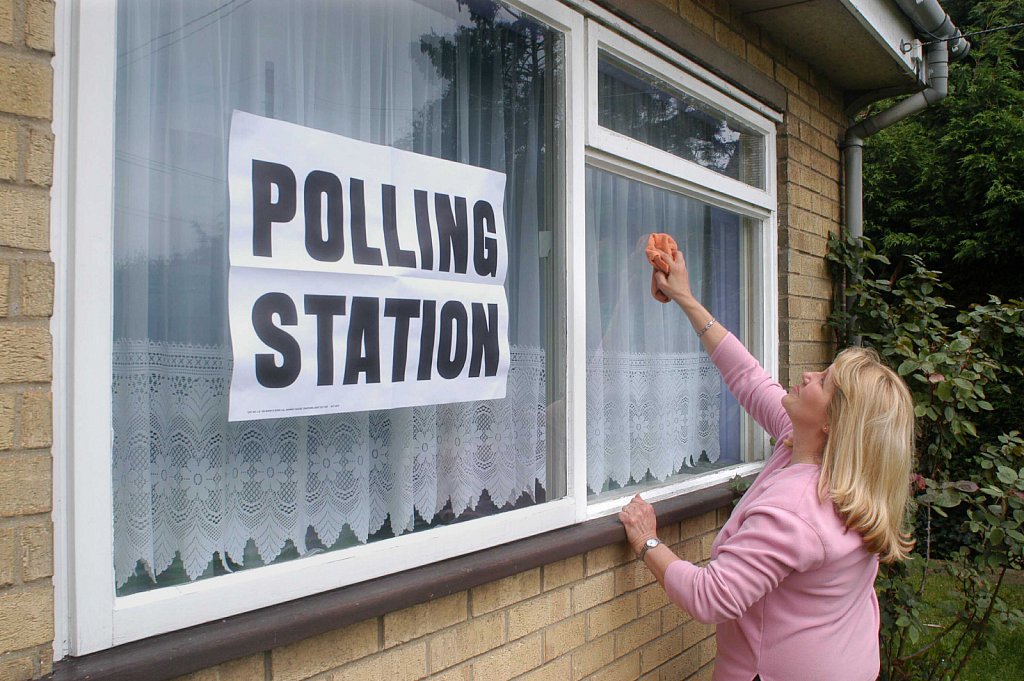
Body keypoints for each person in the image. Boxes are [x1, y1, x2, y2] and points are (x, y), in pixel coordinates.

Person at [619, 247, 915, 681]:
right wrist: (685, 297)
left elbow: (711, 596)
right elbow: (748, 377)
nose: (810, 375)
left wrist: (647, 540)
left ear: (834, 424)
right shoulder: (824, 460)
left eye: (824, 382)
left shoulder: (796, 509)